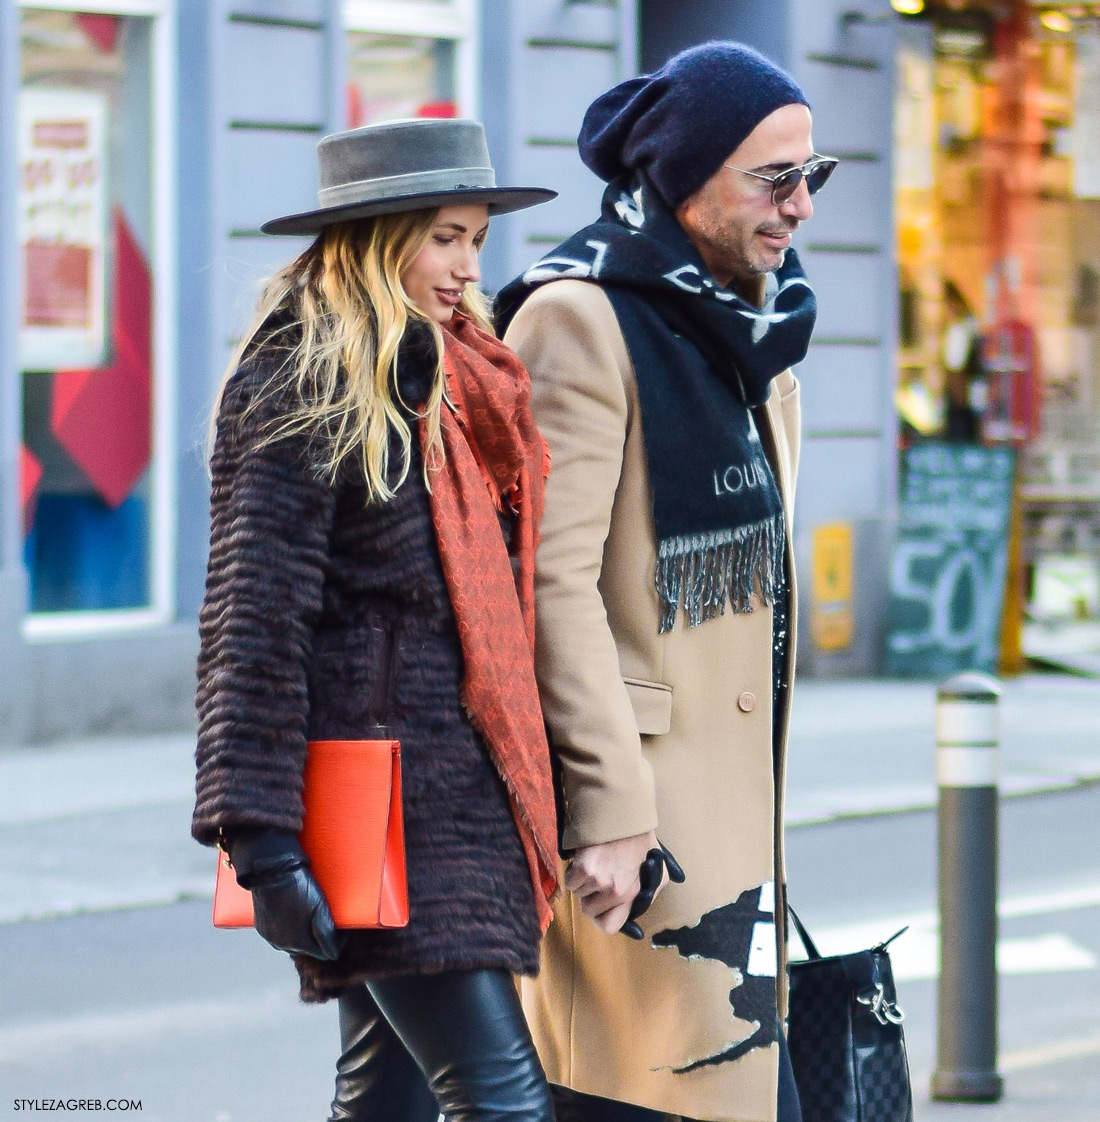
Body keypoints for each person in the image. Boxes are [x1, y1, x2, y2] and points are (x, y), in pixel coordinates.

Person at [192, 117, 561, 1122]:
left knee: (385, 1094)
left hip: (458, 800)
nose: (465, 265)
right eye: (444, 236)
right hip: (381, 809)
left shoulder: (448, 382)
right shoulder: (300, 383)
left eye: (477, 239)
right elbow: (253, 622)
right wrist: (260, 846)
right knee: (501, 1100)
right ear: (377, 235)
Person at [497, 42, 834, 1122]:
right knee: (645, 1094)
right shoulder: (578, 316)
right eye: (771, 178)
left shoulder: (757, 328)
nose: (798, 209)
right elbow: (549, 587)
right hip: (639, 830)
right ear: (684, 177)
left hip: (737, 822)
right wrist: (605, 808)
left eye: (809, 177)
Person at [941, 279, 987, 443]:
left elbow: (956, 369)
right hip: (967, 399)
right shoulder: (968, 325)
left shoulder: (960, 328)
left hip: (961, 400)